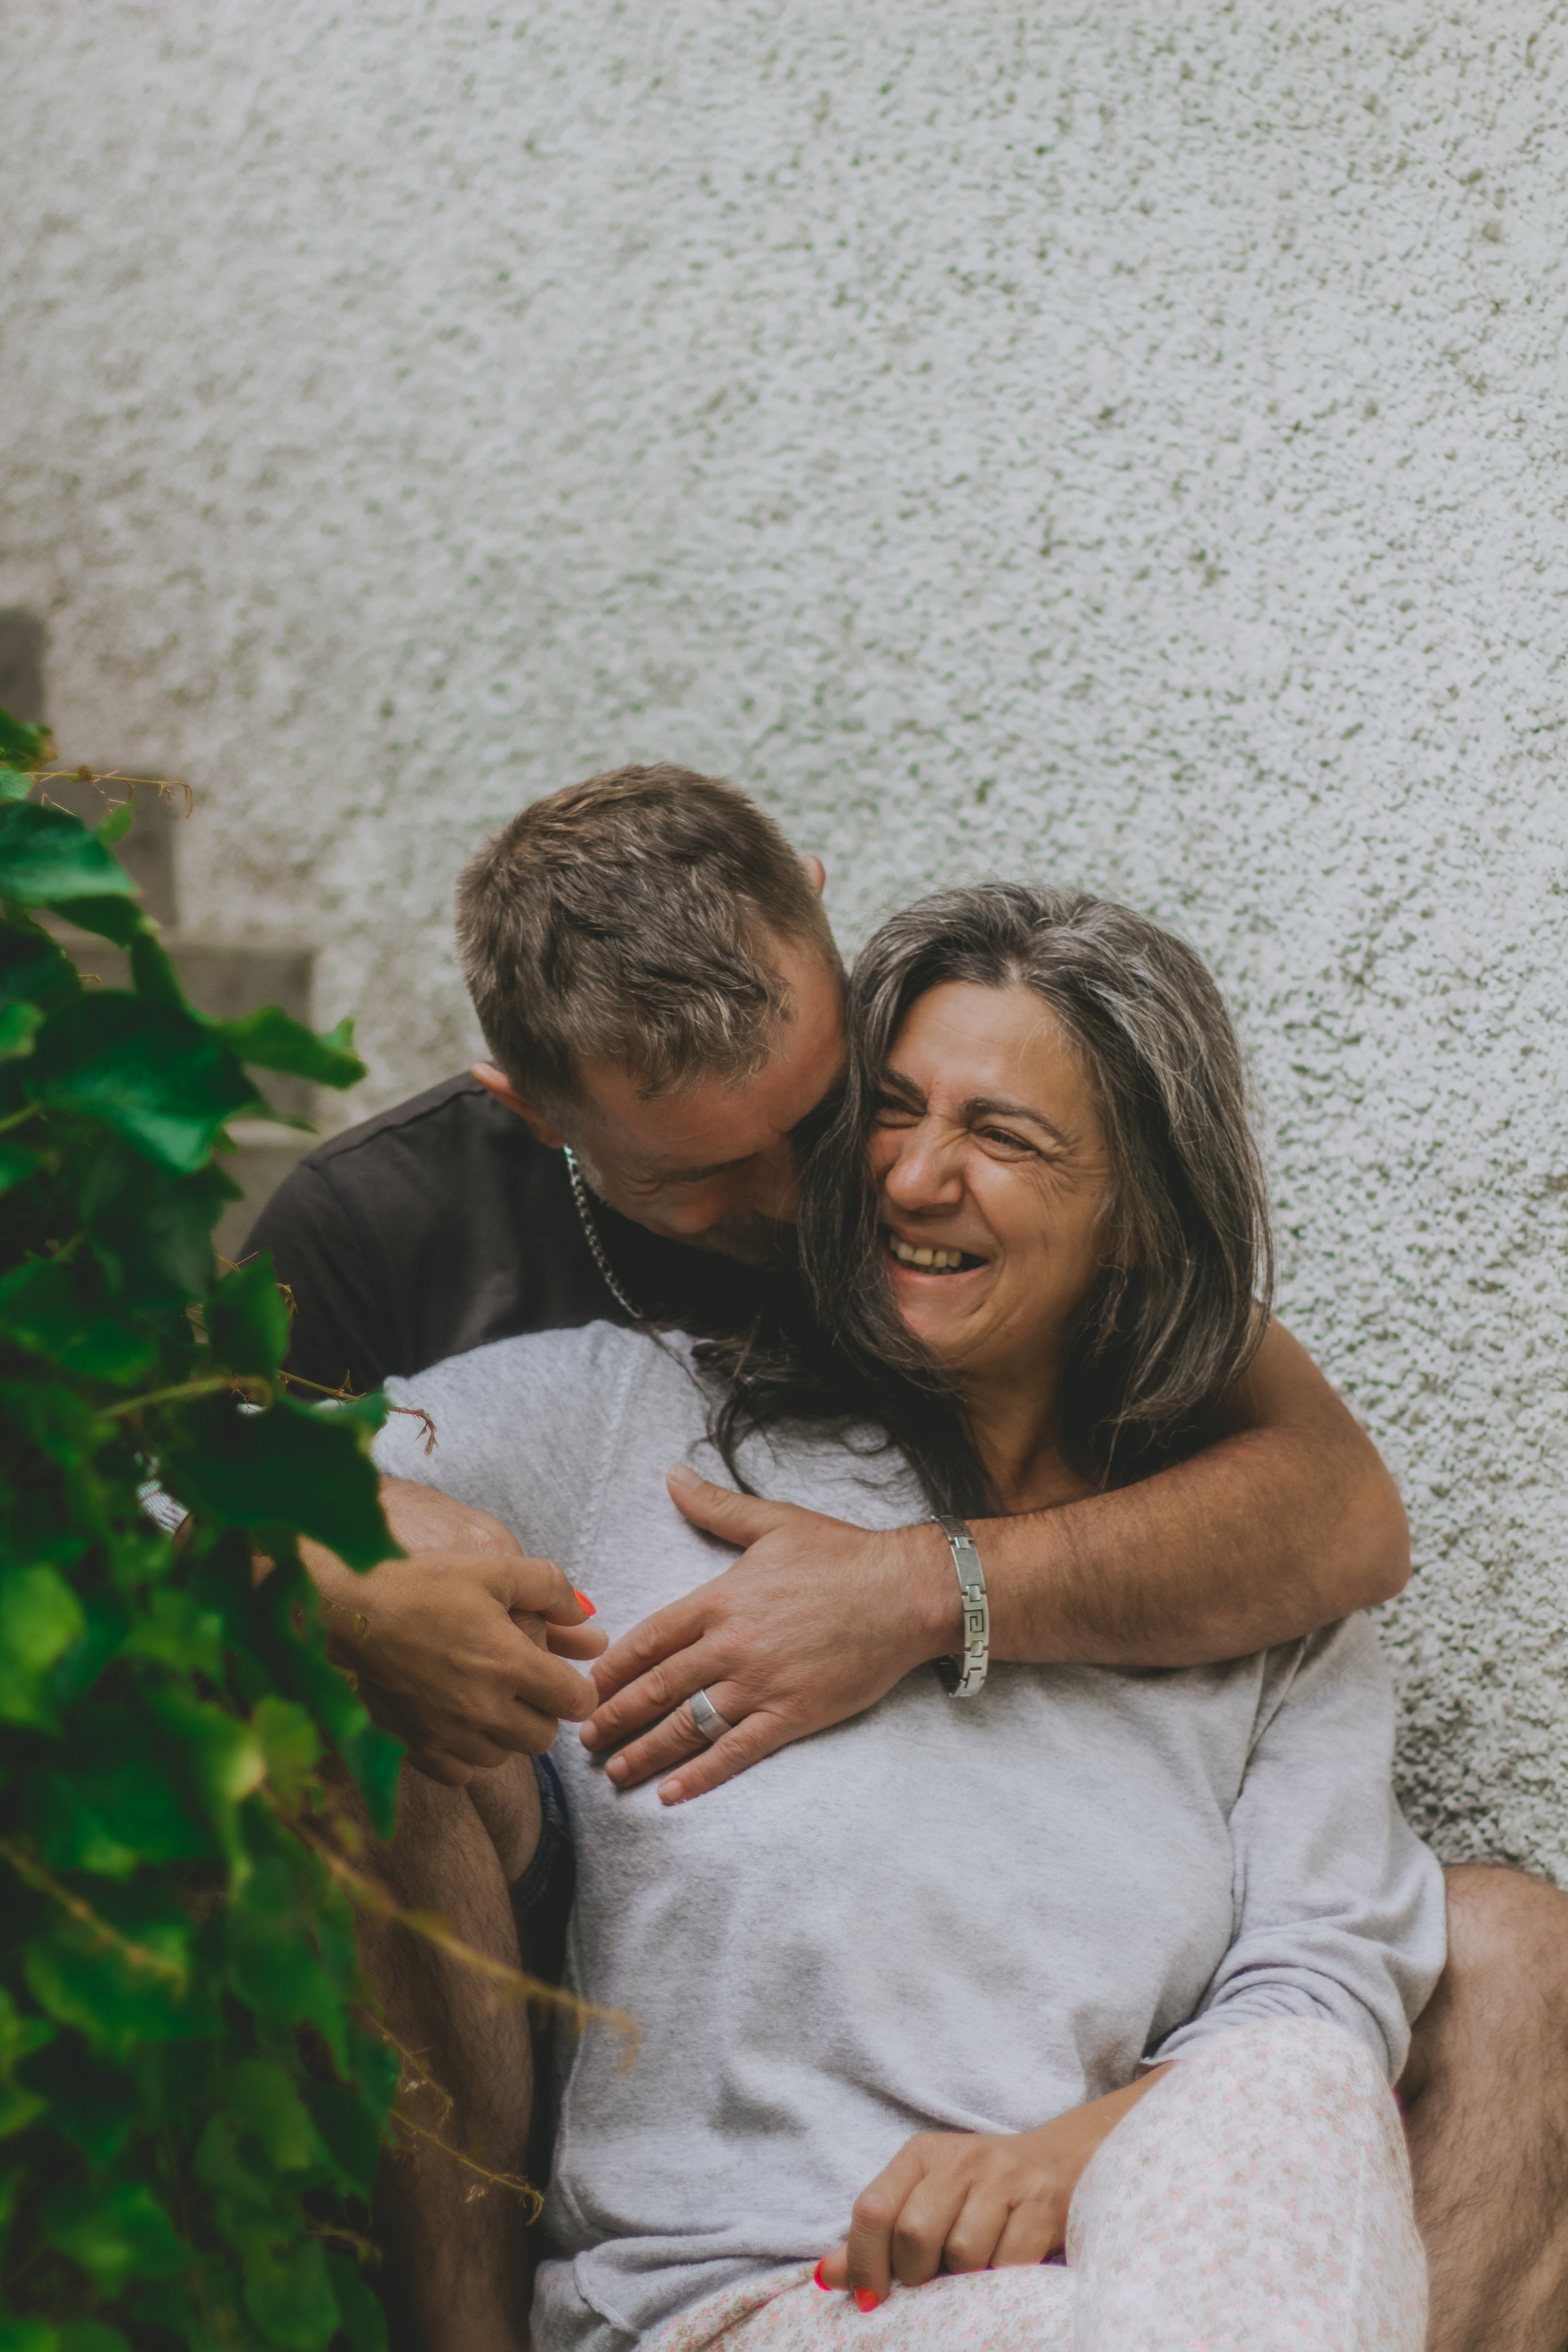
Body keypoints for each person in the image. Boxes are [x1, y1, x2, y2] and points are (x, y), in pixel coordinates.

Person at [264, 768, 1568, 2352]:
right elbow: (154, 1490)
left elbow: (1319, 1957)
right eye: (897, 1114)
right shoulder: (611, 1406)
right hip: (764, 2271)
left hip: (1136, 2281)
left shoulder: (1236, 1567)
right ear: (531, 1115)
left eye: (979, 1133)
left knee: (1302, 2072)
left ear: (1141, 1225)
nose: (870, 1181)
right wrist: (362, 1543)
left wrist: (914, 1593)